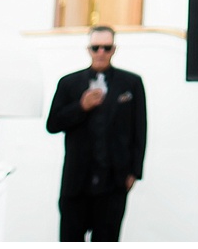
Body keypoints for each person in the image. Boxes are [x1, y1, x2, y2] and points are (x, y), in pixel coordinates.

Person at [46, 26, 147, 242]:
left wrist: (134, 172)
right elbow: (53, 123)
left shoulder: (131, 83)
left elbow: (140, 129)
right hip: (77, 181)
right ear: (88, 50)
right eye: (96, 47)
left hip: (113, 181)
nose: (101, 52)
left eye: (106, 47)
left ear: (114, 50)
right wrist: (81, 106)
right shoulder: (69, 83)